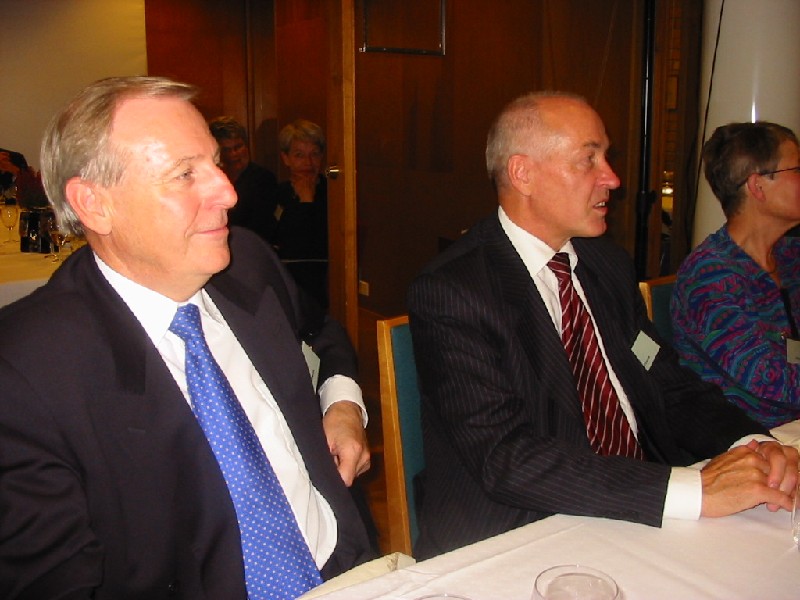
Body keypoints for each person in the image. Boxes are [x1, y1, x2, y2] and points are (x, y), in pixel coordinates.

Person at [0, 76, 374, 598]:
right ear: (94, 204)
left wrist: (343, 403)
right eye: (184, 174)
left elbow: (324, 332)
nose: (228, 192)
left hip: (349, 569)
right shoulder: (25, 372)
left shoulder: (247, 261)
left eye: (216, 164)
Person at [406, 91, 799, 559]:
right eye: (588, 159)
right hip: (519, 534)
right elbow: (506, 458)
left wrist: (751, 443)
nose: (612, 178)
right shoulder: (455, 290)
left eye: (606, 157)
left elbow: (666, 381)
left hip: (637, 509)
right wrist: (691, 491)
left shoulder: (605, 264)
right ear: (523, 173)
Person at [672, 122, 800, 428]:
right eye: (797, 169)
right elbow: (769, 381)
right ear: (757, 186)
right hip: (749, 439)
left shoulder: (789, 256)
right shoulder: (710, 277)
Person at [273, 119, 330, 309]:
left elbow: (317, 243)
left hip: (324, 278)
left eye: (314, 154)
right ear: (286, 158)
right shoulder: (275, 193)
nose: (308, 163)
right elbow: (283, 240)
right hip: (285, 277)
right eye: (299, 155)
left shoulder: (334, 193)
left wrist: (307, 201)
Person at [209, 115, 278, 241]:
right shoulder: (209, 181)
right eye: (226, 150)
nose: (234, 154)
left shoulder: (263, 179)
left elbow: (260, 226)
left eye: (238, 147)